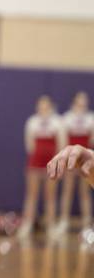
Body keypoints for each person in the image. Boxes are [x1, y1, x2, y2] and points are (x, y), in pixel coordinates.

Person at [18, 95, 65, 238]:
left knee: (50, 196)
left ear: (50, 107)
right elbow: (29, 144)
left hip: (51, 163)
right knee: (31, 195)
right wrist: (37, 156)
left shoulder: (58, 122)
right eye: (40, 106)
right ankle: (27, 225)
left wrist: (56, 162)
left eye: (45, 106)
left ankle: (50, 226)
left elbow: (62, 143)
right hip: (35, 163)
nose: (43, 109)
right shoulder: (32, 121)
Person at [55, 91, 93, 236]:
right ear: (74, 103)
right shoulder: (67, 118)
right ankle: (64, 221)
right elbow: (63, 140)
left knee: (85, 192)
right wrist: (64, 159)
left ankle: (86, 223)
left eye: (84, 103)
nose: (82, 105)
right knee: (67, 191)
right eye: (79, 102)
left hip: (84, 160)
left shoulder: (90, 118)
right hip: (71, 159)